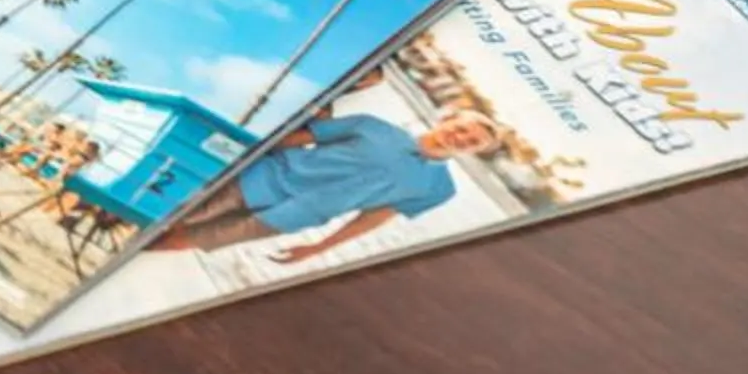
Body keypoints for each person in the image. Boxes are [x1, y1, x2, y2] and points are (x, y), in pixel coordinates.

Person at [146, 109, 501, 263]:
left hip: (295, 217)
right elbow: (299, 138)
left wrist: (320, 248)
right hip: (261, 178)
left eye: (472, 142)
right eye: (463, 128)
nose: (461, 137)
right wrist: (235, 157)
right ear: (449, 119)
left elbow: (373, 218)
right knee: (174, 216)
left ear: (472, 152)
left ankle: (137, 257)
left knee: (194, 241)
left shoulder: (438, 188)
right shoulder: (373, 126)